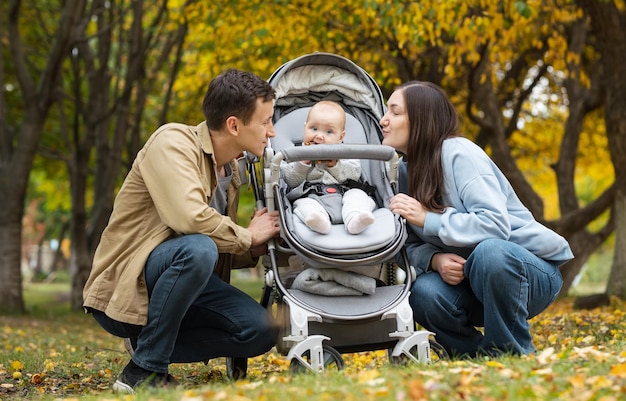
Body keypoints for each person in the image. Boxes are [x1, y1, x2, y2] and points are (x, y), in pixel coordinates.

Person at [82, 69, 281, 393]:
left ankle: (148, 348)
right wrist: (247, 236)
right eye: (265, 121)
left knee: (261, 329)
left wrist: (252, 247)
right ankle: (145, 370)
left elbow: (219, 244)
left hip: (185, 286)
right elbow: (189, 220)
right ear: (234, 125)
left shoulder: (230, 171)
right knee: (198, 248)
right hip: (130, 286)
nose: (271, 132)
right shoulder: (171, 142)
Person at [380, 81, 573, 357]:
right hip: (471, 284)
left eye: (394, 112)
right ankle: (474, 357)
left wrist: (429, 218)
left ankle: (510, 351)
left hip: (529, 275)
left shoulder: (460, 153)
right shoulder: (400, 175)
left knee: (490, 252)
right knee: (422, 291)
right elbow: (405, 245)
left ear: (422, 117)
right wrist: (435, 260)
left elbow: (494, 224)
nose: (383, 120)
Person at [281, 100, 376, 234]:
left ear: (340, 137)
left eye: (329, 132)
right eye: (313, 129)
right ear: (305, 127)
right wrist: (302, 163)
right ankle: (319, 222)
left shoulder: (346, 153)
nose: (319, 136)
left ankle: (355, 219)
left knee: (358, 195)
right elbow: (290, 180)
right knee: (303, 204)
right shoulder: (295, 154)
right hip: (312, 196)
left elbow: (355, 174)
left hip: (344, 194)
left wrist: (335, 165)